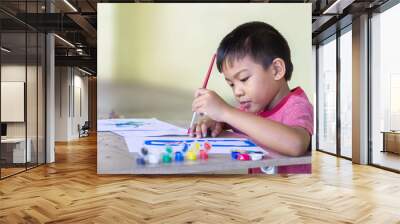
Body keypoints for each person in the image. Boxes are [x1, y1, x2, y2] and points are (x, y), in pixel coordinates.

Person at [190, 21, 313, 174]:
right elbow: (237, 121)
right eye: (231, 84)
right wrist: (216, 121)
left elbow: (296, 144)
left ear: (276, 70)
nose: (237, 92)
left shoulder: (297, 105)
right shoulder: (255, 106)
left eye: (243, 79)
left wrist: (225, 112)